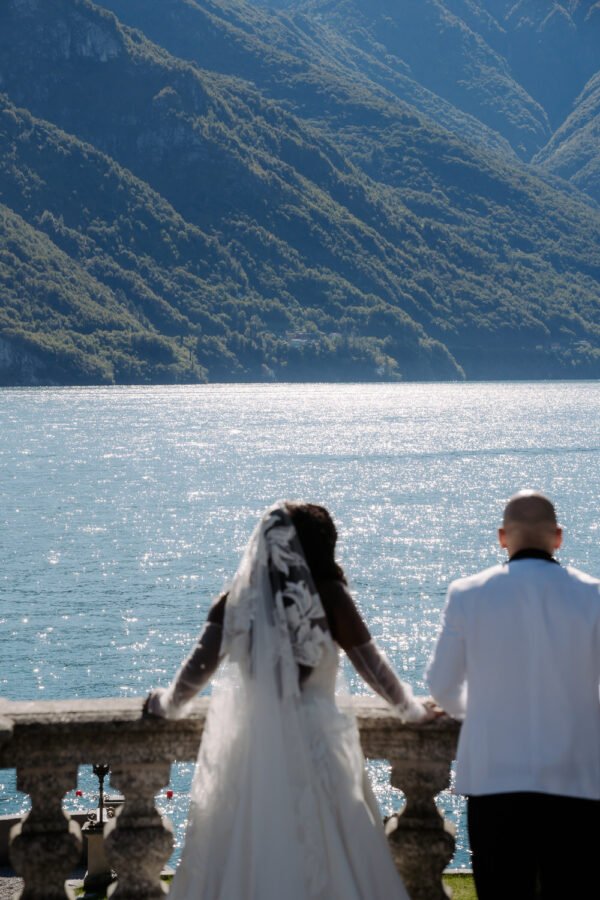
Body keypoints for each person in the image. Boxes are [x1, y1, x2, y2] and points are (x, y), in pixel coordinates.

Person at [144, 501, 436, 900]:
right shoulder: (330, 596)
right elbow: (373, 668)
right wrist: (413, 711)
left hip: (251, 747)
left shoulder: (233, 602)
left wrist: (160, 704)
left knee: (250, 849)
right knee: (332, 845)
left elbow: (191, 679)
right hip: (317, 742)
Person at [426, 491, 600, 900]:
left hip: (494, 780)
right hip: (577, 778)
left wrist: (483, 710)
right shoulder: (594, 597)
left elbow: (442, 687)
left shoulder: (467, 593)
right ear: (558, 537)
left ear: (503, 537)